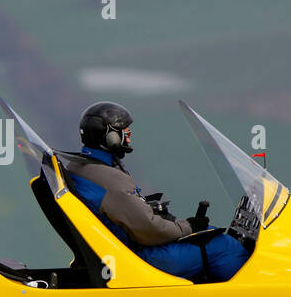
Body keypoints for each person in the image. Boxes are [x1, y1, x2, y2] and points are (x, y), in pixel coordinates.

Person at [58, 101, 249, 282]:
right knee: (223, 245)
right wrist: (189, 227)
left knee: (206, 234)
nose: (129, 136)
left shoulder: (80, 167)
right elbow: (149, 231)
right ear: (110, 136)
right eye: (124, 131)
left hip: (118, 253)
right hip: (140, 257)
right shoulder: (111, 180)